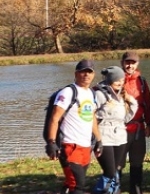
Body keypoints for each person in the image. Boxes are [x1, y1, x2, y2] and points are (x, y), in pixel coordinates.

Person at [45, 59, 102, 194]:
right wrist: (51, 142)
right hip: (70, 146)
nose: (86, 75)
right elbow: (55, 118)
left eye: (89, 72)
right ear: (76, 73)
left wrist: (99, 140)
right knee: (78, 185)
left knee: (72, 183)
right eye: (83, 72)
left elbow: (92, 118)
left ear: (93, 75)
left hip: (85, 146)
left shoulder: (91, 93)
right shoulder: (68, 92)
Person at [92, 66, 138, 194]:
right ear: (110, 80)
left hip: (120, 136)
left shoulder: (121, 95)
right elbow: (91, 116)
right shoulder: (99, 94)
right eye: (117, 80)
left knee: (116, 169)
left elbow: (126, 117)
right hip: (104, 136)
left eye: (122, 80)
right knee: (109, 171)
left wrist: (131, 101)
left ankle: (114, 191)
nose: (120, 82)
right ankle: (99, 191)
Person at [119, 51, 150, 194]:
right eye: (127, 62)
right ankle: (115, 188)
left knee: (137, 162)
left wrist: (149, 124)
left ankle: (136, 189)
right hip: (119, 128)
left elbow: (148, 105)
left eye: (133, 62)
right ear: (122, 63)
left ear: (137, 64)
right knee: (118, 163)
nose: (130, 65)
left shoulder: (142, 82)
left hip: (138, 127)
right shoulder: (115, 80)